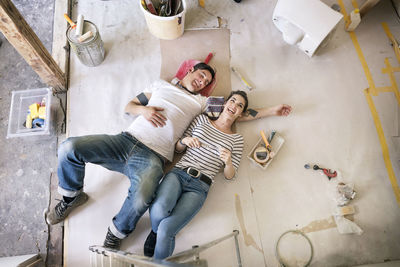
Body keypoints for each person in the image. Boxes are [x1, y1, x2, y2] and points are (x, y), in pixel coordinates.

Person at [44, 61, 290, 250]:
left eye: (206, 82)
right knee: (69, 147)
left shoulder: (201, 103)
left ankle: (116, 233)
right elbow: (129, 106)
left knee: (143, 197)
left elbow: (235, 112)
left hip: (153, 157)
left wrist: (272, 110)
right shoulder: (160, 85)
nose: (202, 81)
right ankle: (71, 197)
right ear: (190, 70)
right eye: (201, 75)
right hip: (123, 141)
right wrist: (144, 110)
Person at [143, 90, 291, 259]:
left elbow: (230, 176)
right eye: (233, 101)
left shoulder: (237, 140)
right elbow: (177, 148)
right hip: (178, 173)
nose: (234, 105)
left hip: (199, 187)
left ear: (241, 113)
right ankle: (154, 233)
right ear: (225, 104)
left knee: (166, 229)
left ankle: (158, 242)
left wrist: (228, 161)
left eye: (239, 105)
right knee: (159, 211)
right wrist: (185, 141)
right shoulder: (201, 119)